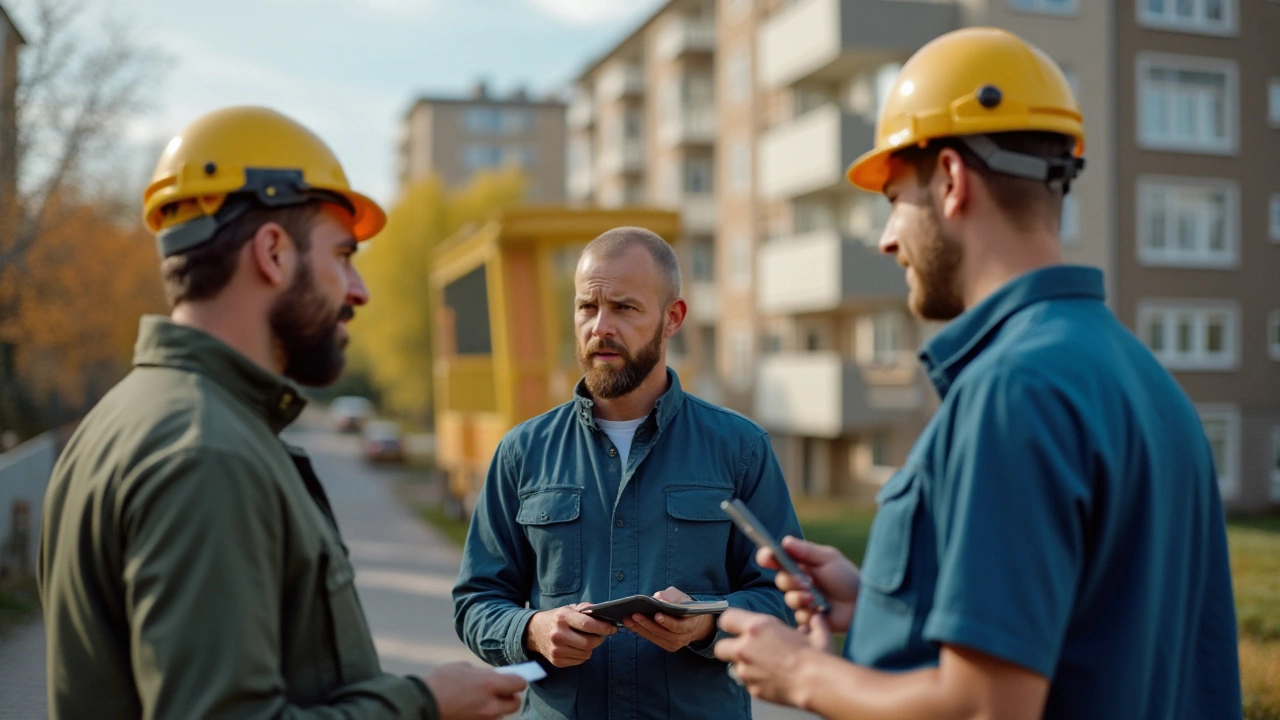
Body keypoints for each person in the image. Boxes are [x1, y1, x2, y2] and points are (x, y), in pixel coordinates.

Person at [713, 27, 1243, 720]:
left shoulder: (1012, 391)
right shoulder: (1147, 380)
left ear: (953, 181)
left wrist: (803, 674)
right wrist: (880, 603)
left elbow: (986, 707)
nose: (887, 238)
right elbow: (1092, 629)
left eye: (895, 197)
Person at [38, 106, 527, 720]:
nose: (359, 290)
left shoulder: (128, 416)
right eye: (343, 255)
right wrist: (422, 704)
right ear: (272, 252)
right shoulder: (205, 451)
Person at [452, 227, 803, 719]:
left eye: (625, 308)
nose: (600, 327)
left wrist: (704, 623)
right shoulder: (521, 451)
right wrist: (531, 630)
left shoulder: (740, 448)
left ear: (672, 318)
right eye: (586, 308)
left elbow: (784, 599)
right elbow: (476, 601)